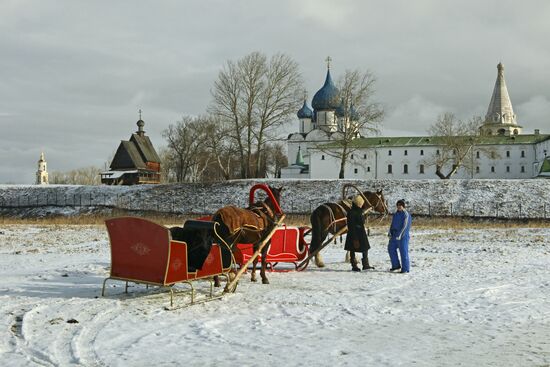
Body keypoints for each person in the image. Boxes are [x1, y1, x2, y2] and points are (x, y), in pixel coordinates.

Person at [344, 195, 373, 272]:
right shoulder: (357, 212)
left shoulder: (351, 212)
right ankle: (361, 265)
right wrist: (355, 237)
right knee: (361, 248)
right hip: (358, 233)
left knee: (354, 249)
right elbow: (360, 221)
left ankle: (358, 265)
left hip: (353, 232)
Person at [388, 199, 412, 273]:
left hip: (403, 236)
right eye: (397, 205)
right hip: (394, 235)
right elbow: (392, 224)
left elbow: (405, 226)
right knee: (390, 249)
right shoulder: (396, 214)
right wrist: (390, 232)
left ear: (403, 206)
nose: (399, 207)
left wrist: (400, 235)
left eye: (400, 205)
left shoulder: (406, 215)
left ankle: (405, 269)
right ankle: (396, 265)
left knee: (403, 252)